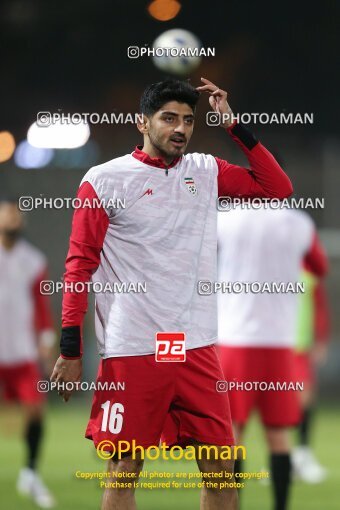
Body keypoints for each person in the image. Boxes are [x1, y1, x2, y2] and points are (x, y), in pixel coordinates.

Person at [51, 77, 293, 510]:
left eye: (188, 120)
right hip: (133, 349)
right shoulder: (103, 180)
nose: (180, 128)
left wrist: (234, 126)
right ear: (141, 123)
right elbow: (78, 266)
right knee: (124, 471)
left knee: (222, 468)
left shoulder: (204, 170)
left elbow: (278, 188)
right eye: (168, 119)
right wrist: (71, 348)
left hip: (196, 347)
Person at [217, 205, 328, 510]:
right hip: (279, 344)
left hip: (234, 340)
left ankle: (229, 505)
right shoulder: (298, 222)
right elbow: (319, 267)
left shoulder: (223, 218)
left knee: (233, 434)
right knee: (279, 435)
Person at [0, 197, 56, 508]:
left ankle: (31, 474)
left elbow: (42, 308)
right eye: (5, 214)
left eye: (15, 215)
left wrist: (46, 342)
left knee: (36, 412)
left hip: (21, 354)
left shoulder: (33, 260)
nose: (11, 219)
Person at [292, 264, 330, 483]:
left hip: (299, 348)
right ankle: (280, 459)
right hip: (270, 346)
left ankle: (303, 454)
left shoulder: (308, 271)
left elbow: (320, 306)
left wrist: (321, 339)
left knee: (305, 399)